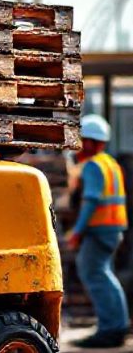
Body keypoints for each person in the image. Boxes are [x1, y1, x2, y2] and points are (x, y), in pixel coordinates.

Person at [66, 114, 130, 348]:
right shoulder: (110, 163)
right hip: (112, 229)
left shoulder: (93, 166)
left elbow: (91, 201)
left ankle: (110, 330)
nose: (78, 145)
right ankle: (117, 326)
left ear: (92, 142)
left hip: (99, 230)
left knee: (94, 274)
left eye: (82, 140)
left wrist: (77, 231)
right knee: (105, 275)